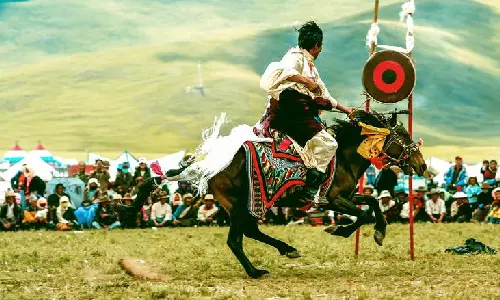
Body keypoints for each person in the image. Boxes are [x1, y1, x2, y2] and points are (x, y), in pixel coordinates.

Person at [256, 21, 354, 203]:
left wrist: (346, 110)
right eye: (320, 46)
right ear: (316, 45)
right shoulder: (295, 57)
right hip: (289, 113)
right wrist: (304, 81)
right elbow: (276, 73)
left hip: (299, 113)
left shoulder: (309, 65)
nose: (321, 50)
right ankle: (310, 191)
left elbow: (324, 94)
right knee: (329, 144)